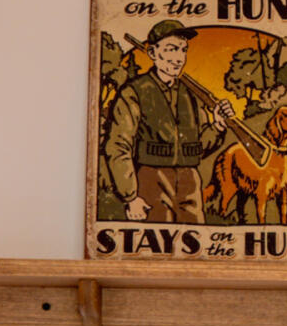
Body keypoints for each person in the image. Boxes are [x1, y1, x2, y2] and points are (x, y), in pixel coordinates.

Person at [101, 20, 236, 226]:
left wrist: (217, 126)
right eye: (171, 49)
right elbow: (118, 145)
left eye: (183, 50)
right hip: (152, 180)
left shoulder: (190, 94)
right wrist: (130, 196)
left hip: (190, 182)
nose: (178, 58)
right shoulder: (134, 91)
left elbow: (197, 148)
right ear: (153, 53)